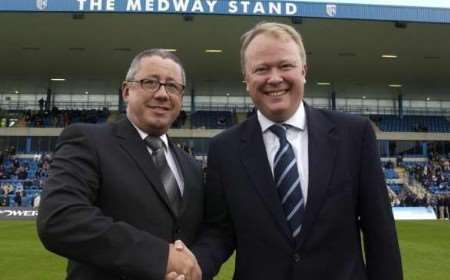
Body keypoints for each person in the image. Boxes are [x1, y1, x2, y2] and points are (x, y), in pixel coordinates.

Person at [178, 22, 403, 280]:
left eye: (285, 66)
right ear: (246, 78)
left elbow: (380, 232)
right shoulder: (224, 148)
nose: (275, 78)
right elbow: (219, 232)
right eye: (261, 69)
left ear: (304, 70)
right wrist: (193, 267)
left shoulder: (354, 134)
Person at [37, 49, 203, 280]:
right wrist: (159, 257)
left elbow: (206, 234)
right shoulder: (87, 140)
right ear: (127, 91)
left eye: (172, 86)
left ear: (181, 98)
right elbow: (59, 219)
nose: (163, 94)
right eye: (150, 82)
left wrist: (191, 271)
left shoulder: (192, 168)